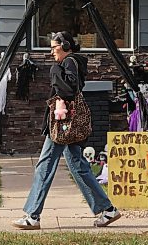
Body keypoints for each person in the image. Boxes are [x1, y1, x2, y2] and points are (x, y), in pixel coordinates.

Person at [12, 31, 121, 230]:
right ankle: (107, 209)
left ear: (65, 46)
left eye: (54, 47)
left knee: (44, 166)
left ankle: (32, 216)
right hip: (67, 125)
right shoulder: (71, 62)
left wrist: (54, 71)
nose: (52, 51)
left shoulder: (68, 62)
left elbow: (69, 90)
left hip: (62, 125)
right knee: (79, 167)